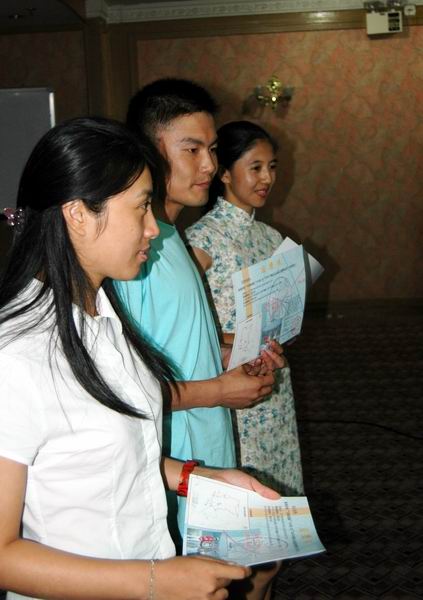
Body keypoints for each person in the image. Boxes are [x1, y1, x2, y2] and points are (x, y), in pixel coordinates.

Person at [0, 117, 280, 600]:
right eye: (140, 207)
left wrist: (199, 478)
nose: (154, 227)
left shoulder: (103, 312)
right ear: (78, 214)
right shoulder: (16, 354)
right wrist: (156, 581)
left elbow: (113, 459)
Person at [114, 81, 282, 600]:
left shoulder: (170, 238)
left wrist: (228, 351)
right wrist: (219, 390)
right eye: (191, 149)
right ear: (148, 149)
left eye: (211, 149)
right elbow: (119, 392)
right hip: (169, 466)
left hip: (205, 457)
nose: (209, 164)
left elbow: (172, 344)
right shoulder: (133, 254)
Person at [186, 120, 304, 496]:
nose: (267, 178)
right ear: (224, 173)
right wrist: (233, 340)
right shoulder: (201, 240)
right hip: (230, 385)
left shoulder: (271, 237)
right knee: (242, 493)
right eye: (255, 167)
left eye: (271, 167)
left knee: (279, 489)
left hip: (273, 383)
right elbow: (181, 328)